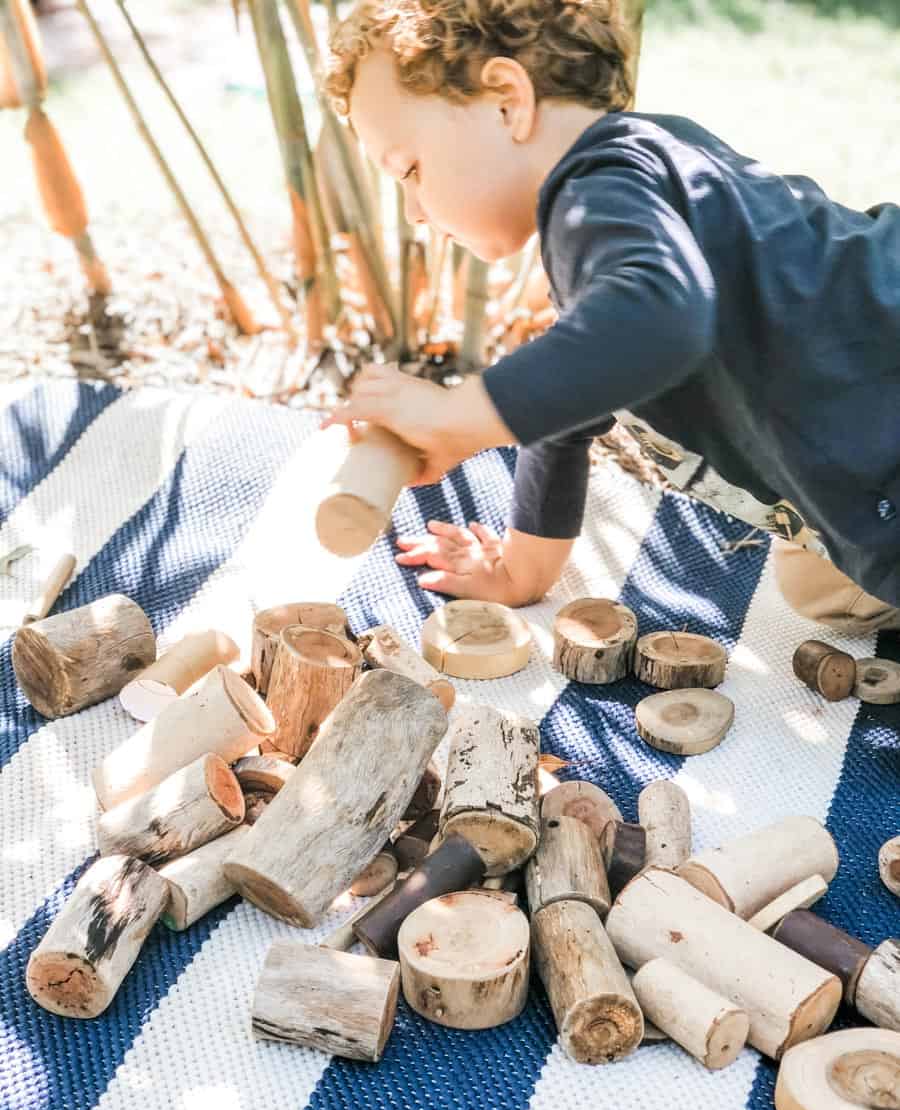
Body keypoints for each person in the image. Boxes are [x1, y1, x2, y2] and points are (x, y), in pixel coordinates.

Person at [319, 0, 900, 636]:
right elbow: (576, 400)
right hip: (864, 419)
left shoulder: (597, 189)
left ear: (506, 101)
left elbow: (659, 317)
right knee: (819, 580)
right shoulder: (632, 183)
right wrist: (521, 571)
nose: (414, 211)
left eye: (409, 169)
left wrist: (461, 414)